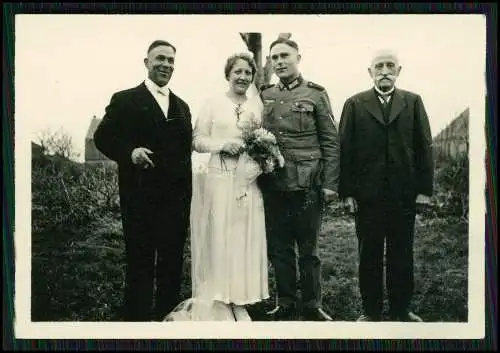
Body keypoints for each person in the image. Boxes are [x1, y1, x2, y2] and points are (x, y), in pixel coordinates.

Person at [164, 52, 270, 322]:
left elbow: (264, 141)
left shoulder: (257, 105)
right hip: (219, 179)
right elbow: (197, 140)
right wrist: (222, 144)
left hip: (247, 180)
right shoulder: (213, 103)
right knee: (221, 236)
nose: (243, 77)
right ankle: (220, 296)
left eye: (248, 73)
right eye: (238, 72)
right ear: (228, 74)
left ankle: (240, 298)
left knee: (243, 238)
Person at [93, 40, 193, 321]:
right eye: (160, 58)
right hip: (140, 195)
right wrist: (130, 152)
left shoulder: (182, 106)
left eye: (171, 60)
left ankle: (167, 315)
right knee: (140, 258)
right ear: (146, 62)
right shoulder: (125, 99)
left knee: (172, 259)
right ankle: (136, 317)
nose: (166, 64)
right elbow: (102, 137)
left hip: (176, 199)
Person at [338, 49, 434, 322]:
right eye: (378, 66)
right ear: (370, 72)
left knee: (402, 253)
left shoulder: (413, 102)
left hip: (403, 195)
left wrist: (424, 189)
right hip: (367, 196)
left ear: (399, 71)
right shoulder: (355, 104)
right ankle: (371, 313)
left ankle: (402, 310)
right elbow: (345, 149)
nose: (384, 71)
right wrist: (346, 192)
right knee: (368, 254)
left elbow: (424, 147)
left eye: (390, 66)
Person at [258, 38, 340, 321]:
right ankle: (287, 302)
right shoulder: (264, 95)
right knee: (279, 248)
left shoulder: (316, 94)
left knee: (309, 249)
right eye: (274, 58)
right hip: (274, 184)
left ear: (298, 58)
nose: (279, 62)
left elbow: (331, 141)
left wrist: (330, 183)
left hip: (308, 184)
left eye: (284, 56)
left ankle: (312, 304)